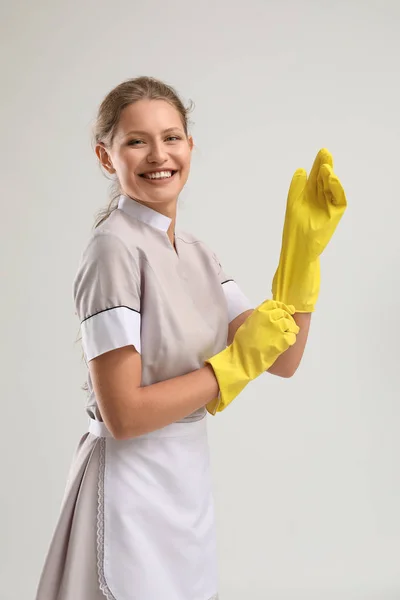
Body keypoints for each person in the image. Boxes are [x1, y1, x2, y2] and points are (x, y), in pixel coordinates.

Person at [35, 76, 346, 600]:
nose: (159, 155)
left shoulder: (199, 253)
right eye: (136, 141)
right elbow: (125, 416)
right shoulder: (113, 249)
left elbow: (283, 359)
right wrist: (229, 368)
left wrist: (301, 260)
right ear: (107, 157)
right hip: (128, 491)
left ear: (190, 145)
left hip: (185, 484)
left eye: (172, 137)